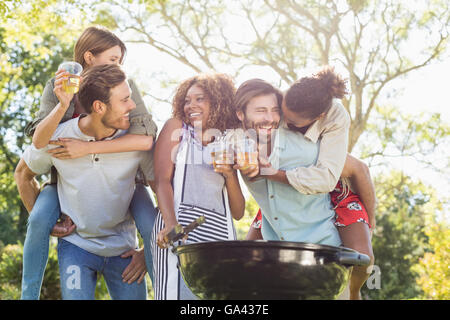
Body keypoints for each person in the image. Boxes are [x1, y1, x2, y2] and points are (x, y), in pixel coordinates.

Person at [15, 26, 158, 300]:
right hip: (62, 182)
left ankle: (167, 289)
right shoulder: (57, 87)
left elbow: (146, 137)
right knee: (39, 220)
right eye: (114, 59)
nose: (119, 67)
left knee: (150, 221)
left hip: (124, 182)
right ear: (89, 57)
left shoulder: (124, 86)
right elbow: (39, 142)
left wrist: (89, 148)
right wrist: (61, 106)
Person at [233, 75, 375, 299]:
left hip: (332, 185)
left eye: (290, 122)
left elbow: (356, 170)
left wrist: (371, 219)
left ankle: (353, 293)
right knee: (245, 262)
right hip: (284, 191)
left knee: (363, 255)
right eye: (281, 112)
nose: (282, 122)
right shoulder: (281, 103)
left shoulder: (332, 125)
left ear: (317, 118)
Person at [151, 73, 245, 300]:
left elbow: (239, 212)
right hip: (179, 232)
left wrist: (230, 175)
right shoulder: (177, 130)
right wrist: (172, 225)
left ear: (218, 102)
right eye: (186, 100)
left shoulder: (227, 141)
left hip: (220, 236)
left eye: (199, 99)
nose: (190, 105)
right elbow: (161, 181)